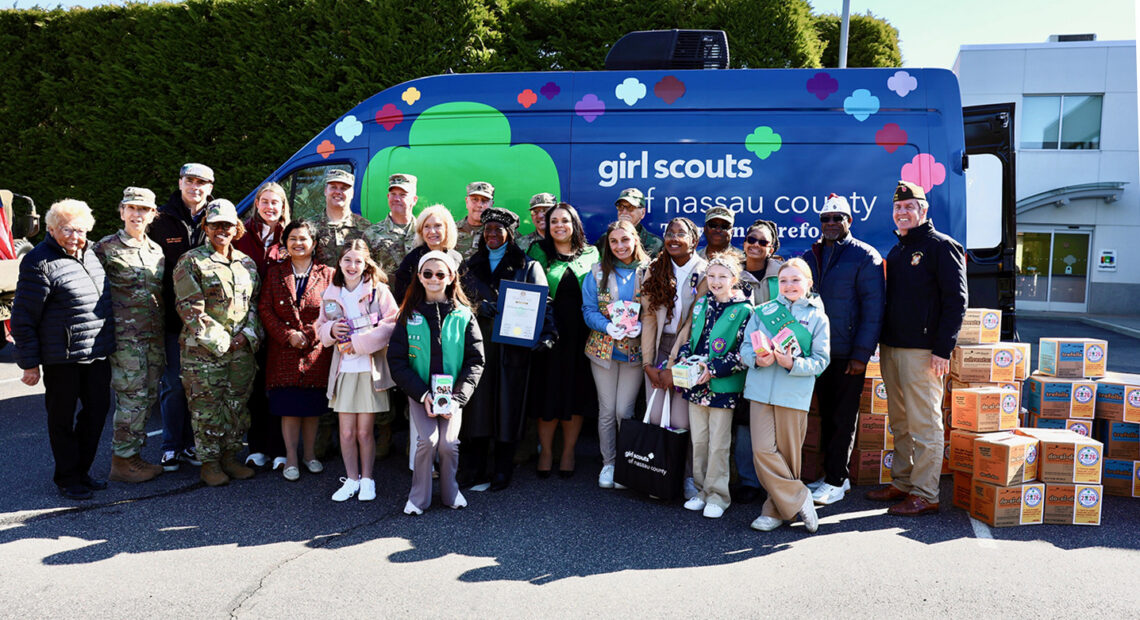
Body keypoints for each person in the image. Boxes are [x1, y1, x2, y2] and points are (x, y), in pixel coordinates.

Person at [866, 181, 967, 517]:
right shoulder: (898, 250)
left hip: (923, 351)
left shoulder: (942, 246)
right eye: (898, 208)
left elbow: (956, 302)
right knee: (900, 422)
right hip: (893, 347)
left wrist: (942, 349)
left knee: (925, 424)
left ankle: (926, 493)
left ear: (924, 210)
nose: (902, 212)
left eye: (909, 207)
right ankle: (904, 482)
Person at [12, 199, 114, 500]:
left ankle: (82, 470)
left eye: (80, 229)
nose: (74, 236)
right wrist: (29, 363)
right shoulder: (38, 261)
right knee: (61, 418)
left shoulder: (93, 255)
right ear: (52, 229)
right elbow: (23, 316)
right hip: (61, 358)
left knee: (97, 413)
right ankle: (67, 477)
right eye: (67, 229)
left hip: (96, 352)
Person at [459, 207, 555, 491]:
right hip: (477, 346)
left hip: (512, 348)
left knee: (507, 406)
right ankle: (474, 466)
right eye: (487, 229)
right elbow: (457, 299)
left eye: (498, 230)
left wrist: (549, 333)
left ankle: (502, 467)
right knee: (477, 406)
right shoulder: (469, 265)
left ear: (509, 235)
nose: (491, 234)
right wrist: (477, 307)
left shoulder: (527, 266)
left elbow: (543, 304)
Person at [172, 199, 263, 487]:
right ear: (206, 227)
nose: (222, 230)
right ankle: (209, 463)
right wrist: (225, 342)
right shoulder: (191, 261)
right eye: (215, 225)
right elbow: (190, 308)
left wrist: (245, 338)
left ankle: (230, 457)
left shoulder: (246, 263)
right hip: (204, 353)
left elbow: (256, 305)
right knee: (207, 408)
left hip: (241, 351)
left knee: (236, 406)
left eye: (227, 225)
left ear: (237, 228)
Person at [802, 194, 885, 506]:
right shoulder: (813, 255)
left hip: (847, 354)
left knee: (843, 419)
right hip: (818, 354)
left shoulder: (865, 256)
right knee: (824, 419)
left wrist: (861, 354)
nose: (832, 223)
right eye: (827, 218)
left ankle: (837, 481)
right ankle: (834, 475)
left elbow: (874, 309)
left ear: (850, 221)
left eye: (839, 218)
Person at [388, 251, 485, 514]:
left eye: (440, 274)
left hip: (452, 395)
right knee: (427, 441)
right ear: (419, 277)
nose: (434, 278)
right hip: (421, 393)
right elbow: (396, 361)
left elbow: (476, 361)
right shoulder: (408, 315)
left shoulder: (464, 315)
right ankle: (418, 498)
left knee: (448, 443)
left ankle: (451, 493)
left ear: (451, 277)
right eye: (427, 273)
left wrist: (458, 398)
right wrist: (422, 394)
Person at [741, 258, 830, 534]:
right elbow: (745, 348)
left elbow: (820, 361)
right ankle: (800, 497)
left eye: (795, 280)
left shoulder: (817, 316)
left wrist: (792, 364)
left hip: (793, 393)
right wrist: (758, 360)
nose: (789, 285)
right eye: (783, 281)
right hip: (760, 390)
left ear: (808, 283)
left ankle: (774, 511)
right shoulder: (763, 310)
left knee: (789, 457)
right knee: (762, 452)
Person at [316, 239, 400, 501]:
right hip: (343, 371)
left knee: (364, 432)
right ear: (339, 263)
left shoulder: (379, 291)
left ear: (366, 265)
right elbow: (320, 328)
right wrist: (331, 330)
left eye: (358, 261)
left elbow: (391, 324)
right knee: (346, 432)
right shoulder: (331, 293)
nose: (352, 266)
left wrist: (359, 343)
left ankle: (368, 479)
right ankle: (351, 479)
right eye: (347, 260)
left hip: (368, 370)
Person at [93, 187, 165, 483]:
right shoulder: (105, 248)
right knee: (131, 398)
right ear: (122, 211)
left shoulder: (155, 249)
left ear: (152, 215)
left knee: (147, 398)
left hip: (152, 339)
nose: (138, 214)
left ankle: (133, 455)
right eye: (132, 208)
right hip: (125, 340)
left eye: (144, 209)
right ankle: (122, 461)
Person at [673, 256, 752, 518]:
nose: (716, 282)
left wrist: (713, 370)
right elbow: (692, 338)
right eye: (712, 276)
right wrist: (685, 356)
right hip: (696, 383)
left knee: (719, 443)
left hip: (723, 385)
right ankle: (701, 491)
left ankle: (718, 495)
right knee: (699, 441)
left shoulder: (744, 310)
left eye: (722, 276)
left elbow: (744, 353)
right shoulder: (702, 305)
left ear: (734, 279)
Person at [258, 220, 335, 481]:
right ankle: (291, 457)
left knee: (312, 407)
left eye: (303, 238)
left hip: (316, 351)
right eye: (292, 238)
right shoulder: (274, 272)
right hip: (284, 350)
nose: (298, 243)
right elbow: (265, 309)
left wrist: (311, 335)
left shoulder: (328, 274)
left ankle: (309, 455)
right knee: (289, 407)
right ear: (285, 242)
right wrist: (288, 335)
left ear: (313, 243)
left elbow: (334, 311)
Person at [149, 163, 214, 472]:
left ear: (210, 187)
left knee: (200, 385)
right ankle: (171, 446)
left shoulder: (218, 219)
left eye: (202, 182)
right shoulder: (159, 219)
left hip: (208, 323)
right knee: (174, 384)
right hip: (173, 322)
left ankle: (193, 444)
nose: (195, 187)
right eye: (190, 181)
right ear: (180, 182)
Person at [527, 203, 599, 478]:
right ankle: (545, 451)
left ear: (574, 224)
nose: (558, 225)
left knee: (575, 394)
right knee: (548, 394)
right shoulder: (538, 251)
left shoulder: (592, 253)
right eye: (553, 220)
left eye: (564, 221)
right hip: (548, 335)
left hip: (582, 335)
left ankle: (568, 452)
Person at [640, 216, 706, 499]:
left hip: (687, 350)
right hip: (657, 346)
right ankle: (658, 475)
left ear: (694, 240)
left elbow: (692, 321)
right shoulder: (653, 269)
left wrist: (671, 366)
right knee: (655, 416)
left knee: (682, 421)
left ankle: (687, 477)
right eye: (669, 233)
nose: (674, 238)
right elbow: (648, 317)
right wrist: (648, 364)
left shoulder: (704, 272)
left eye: (681, 234)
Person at [583, 219, 648, 489]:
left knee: (625, 410)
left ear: (635, 240)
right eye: (614, 241)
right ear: (608, 245)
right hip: (603, 350)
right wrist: (607, 326)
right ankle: (609, 463)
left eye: (625, 239)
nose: (620, 246)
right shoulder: (597, 272)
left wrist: (644, 325)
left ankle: (626, 462)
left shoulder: (649, 271)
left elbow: (659, 308)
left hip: (635, 352)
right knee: (607, 410)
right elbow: (588, 310)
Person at [234, 182, 290, 470]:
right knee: (254, 387)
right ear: (256, 204)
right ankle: (256, 448)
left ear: (283, 207)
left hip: (280, 323)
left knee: (278, 384)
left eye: (276, 203)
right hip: (247, 321)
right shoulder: (240, 234)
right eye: (265, 201)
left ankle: (280, 449)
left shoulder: (290, 236)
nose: (270, 207)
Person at [732, 219, 784, 504]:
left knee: (775, 421)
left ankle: (775, 481)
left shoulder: (783, 273)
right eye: (752, 239)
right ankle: (749, 481)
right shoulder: (733, 273)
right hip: (744, 357)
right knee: (745, 419)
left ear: (772, 248)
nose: (756, 245)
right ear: (744, 243)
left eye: (763, 242)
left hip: (779, 356)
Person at [391, 204, 464, 302]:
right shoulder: (411, 259)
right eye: (427, 227)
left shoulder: (456, 258)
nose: (432, 231)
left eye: (438, 226)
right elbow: (401, 297)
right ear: (421, 231)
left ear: (447, 229)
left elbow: (465, 293)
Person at [310, 169, 370, 268]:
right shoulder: (309, 227)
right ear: (325, 191)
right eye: (333, 187)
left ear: (352, 194)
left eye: (343, 188)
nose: (338, 192)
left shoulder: (366, 228)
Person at [597, 188, 663, 258]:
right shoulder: (604, 240)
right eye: (620, 207)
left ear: (643, 212)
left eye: (631, 207)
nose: (624, 212)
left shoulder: (656, 244)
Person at [455, 181, 493, 259]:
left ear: (491, 204)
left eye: (484, 200)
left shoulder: (499, 233)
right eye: (475, 199)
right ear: (466, 201)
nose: (479, 205)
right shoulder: (451, 230)